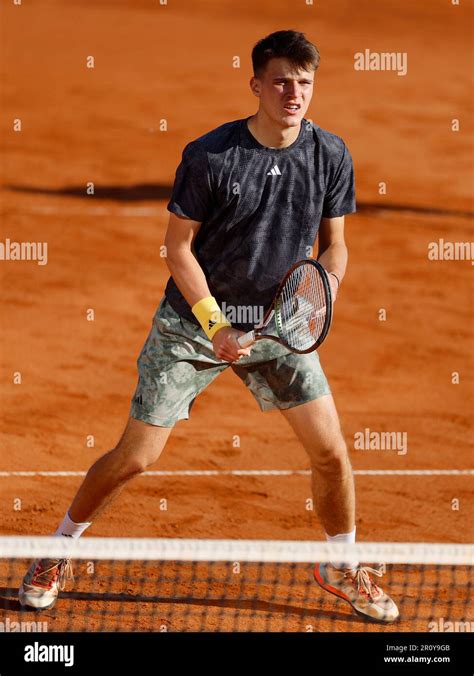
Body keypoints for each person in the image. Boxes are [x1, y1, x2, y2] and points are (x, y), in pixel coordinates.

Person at [19, 30, 398, 624]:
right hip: (193, 325)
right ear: (255, 85)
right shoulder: (212, 156)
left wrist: (318, 298)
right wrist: (216, 326)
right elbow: (177, 249)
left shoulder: (332, 154)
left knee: (331, 454)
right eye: (280, 80)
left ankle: (342, 565)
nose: (292, 92)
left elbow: (336, 247)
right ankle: (56, 550)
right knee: (136, 456)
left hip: (277, 326)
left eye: (304, 81)